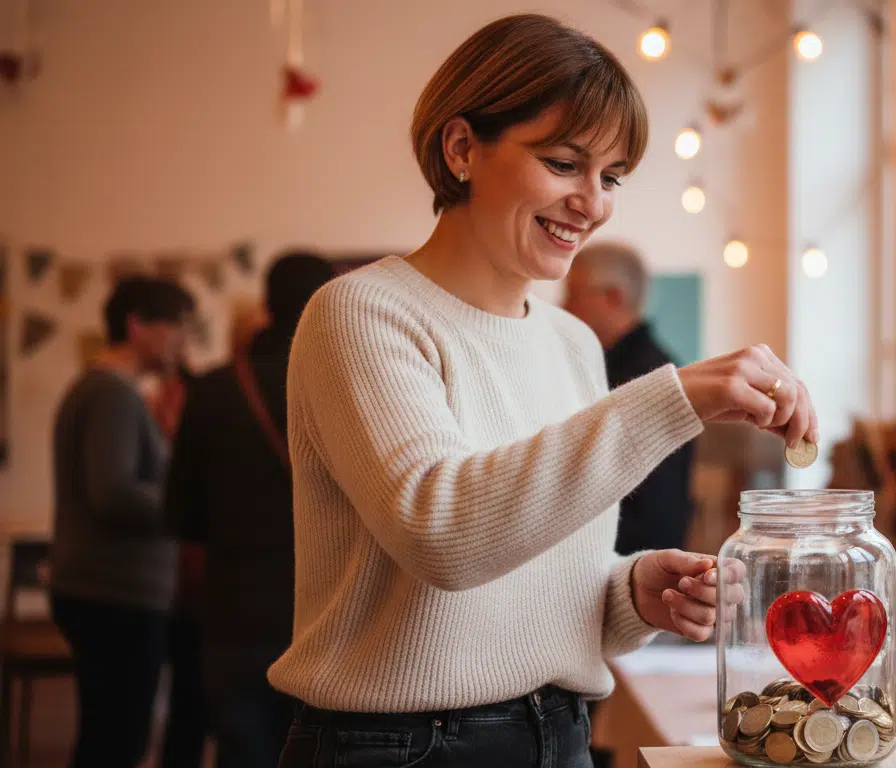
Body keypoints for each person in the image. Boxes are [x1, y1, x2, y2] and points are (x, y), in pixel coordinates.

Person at [269, 14, 816, 767]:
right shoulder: (361, 314)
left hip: (561, 734)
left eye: (612, 177)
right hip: (399, 749)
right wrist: (675, 398)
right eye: (564, 163)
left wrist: (627, 594)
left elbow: (530, 562)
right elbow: (444, 533)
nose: (592, 203)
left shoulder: (572, 343)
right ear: (462, 148)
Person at [165, 251, 336, 768]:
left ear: (265, 305)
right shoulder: (347, 386)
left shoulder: (213, 391)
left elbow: (181, 516)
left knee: (244, 750)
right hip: (330, 612)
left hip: (235, 612)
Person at [50, 276, 193, 768]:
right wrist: (185, 507)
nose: (181, 340)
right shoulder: (112, 395)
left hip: (110, 590)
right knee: (116, 741)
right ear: (136, 326)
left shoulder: (112, 391)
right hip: (114, 593)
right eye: (175, 326)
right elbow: (112, 493)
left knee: (110, 734)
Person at [563, 243, 694, 556]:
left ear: (613, 297)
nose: (564, 305)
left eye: (574, 293)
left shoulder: (652, 374)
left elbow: (655, 513)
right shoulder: (603, 364)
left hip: (633, 566)